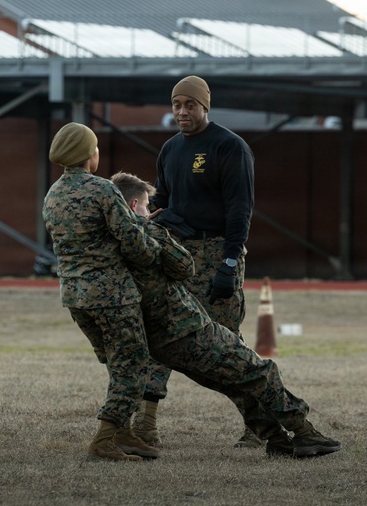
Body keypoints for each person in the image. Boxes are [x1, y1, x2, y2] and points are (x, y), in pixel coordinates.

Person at [112, 171, 341, 458]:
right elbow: (185, 267)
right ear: (134, 207)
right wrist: (157, 229)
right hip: (188, 330)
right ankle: (305, 432)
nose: (152, 210)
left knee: (231, 381)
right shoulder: (150, 234)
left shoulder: (108, 244)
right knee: (258, 371)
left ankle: (277, 440)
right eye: (147, 205)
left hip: (157, 342)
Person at [147, 74, 263, 448]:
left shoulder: (229, 147)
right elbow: (161, 199)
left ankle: (259, 424)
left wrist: (229, 264)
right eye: (177, 104)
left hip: (217, 254)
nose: (182, 111)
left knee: (227, 345)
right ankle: (144, 425)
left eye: (190, 105)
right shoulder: (170, 149)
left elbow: (240, 210)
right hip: (178, 254)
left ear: (205, 107)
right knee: (161, 335)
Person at [42, 122, 162, 462]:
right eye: (94, 148)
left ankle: (123, 430)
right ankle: (105, 439)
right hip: (112, 295)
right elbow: (131, 241)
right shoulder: (103, 190)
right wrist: (156, 251)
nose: (97, 153)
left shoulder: (53, 194)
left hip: (75, 296)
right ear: (87, 154)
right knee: (134, 365)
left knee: (117, 364)